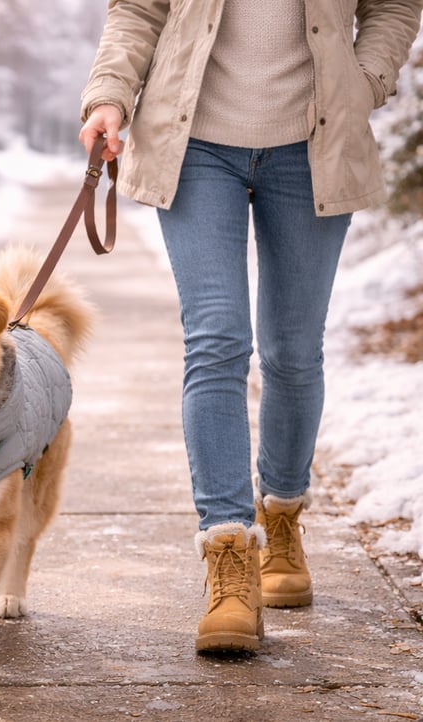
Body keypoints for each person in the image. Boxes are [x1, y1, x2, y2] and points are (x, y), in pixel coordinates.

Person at [79, 1, 422, 653]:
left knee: (292, 352)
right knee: (217, 341)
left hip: (314, 143)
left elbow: (395, 5)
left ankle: (284, 515)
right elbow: (138, 10)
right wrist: (110, 95)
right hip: (194, 143)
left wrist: (365, 78)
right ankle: (229, 557)